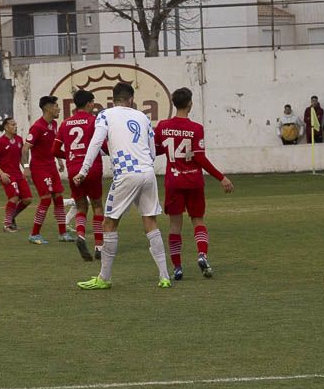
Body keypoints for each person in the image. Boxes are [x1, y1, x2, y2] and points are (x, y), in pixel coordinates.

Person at [75, 81, 172, 290]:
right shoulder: (143, 117)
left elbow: (95, 142)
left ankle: (104, 278)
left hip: (126, 174)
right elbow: (152, 150)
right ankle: (164, 276)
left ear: (113, 98)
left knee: (109, 223)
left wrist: (83, 170)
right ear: (131, 99)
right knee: (150, 221)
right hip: (147, 172)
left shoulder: (105, 115)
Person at [155, 87, 234, 280]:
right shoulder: (196, 128)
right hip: (194, 182)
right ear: (190, 104)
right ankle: (202, 255)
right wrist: (221, 177)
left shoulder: (162, 126)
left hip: (173, 182)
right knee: (197, 220)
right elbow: (200, 158)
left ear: (174, 104)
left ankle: (178, 268)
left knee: (175, 225)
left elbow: (156, 150)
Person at [58, 89, 105, 260]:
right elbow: (103, 145)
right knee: (97, 205)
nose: (94, 105)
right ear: (88, 104)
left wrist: (71, 156)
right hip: (92, 167)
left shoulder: (64, 124)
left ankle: (81, 236)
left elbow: (54, 149)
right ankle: (99, 246)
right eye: (93, 102)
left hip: (73, 169)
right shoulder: (94, 121)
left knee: (81, 206)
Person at [24, 95, 73, 246]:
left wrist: (58, 160)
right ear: (48, 108)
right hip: (39, 168)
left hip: (51, 166)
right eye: (56, 106)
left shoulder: (54, 124)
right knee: (45, 199)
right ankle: (34, 234)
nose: (58, 108)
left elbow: (53, 145)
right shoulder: (37, 127)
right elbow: (25, 149)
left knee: (58, 198)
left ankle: (63, 233)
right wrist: (26, 168)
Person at [0, 117, 31, 232]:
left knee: (27, 199)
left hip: (18, 174)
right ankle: (7, 225)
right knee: (14, 197)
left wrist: (26, 168)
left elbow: (22, 157)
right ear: (6, 127)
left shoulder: (18, 139)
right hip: (8, 175)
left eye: (15, 124)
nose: (15, 127)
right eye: (12, 125)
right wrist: (1, 173)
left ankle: (11, 217)